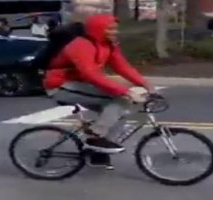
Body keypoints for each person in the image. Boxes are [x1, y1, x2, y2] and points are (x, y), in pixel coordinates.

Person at [43, 14, 153, 169]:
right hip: (60, 86)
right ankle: (95, 136)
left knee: (119, 112)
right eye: (110, 28)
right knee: (120, 99)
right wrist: (126, 91)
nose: (114, 31)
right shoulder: (81, 45)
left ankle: (98, 155)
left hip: (79, 85)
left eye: (115, 28)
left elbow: (122, 66)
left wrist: (145, 84)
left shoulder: (108, 45)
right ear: (98, 29)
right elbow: (90, 74)